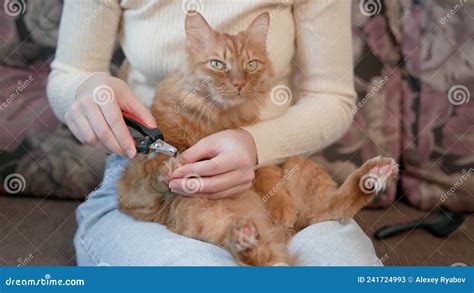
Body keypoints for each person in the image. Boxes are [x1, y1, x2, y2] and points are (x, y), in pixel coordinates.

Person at [47, 0, 380, 266]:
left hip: (272, 171)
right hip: (151, 179)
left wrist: (256, 144)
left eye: (248, 67)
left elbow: (332, 97)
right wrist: (84, 88)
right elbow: (69, 72)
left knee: (345, 268)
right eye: (220, 67)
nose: (237, 81)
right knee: (202, 271)